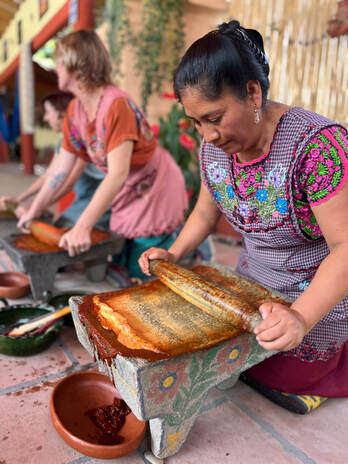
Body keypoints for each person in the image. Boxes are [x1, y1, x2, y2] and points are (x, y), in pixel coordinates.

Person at [139, 19, 348, 413]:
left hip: (314, 296)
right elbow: (204, 213)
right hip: (248, 291)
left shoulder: (318, 148)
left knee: (277, 370)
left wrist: (300, 317)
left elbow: (345, 247)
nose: (208, 136)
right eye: (197, 122)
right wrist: (174, 253)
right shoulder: (215, 150)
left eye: (214, 118)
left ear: (253, 93)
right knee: (205, 350)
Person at [17, 30, 188, 279]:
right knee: (120, 261)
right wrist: (35, 208)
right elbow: (59, 171)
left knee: (145, 264)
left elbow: (117, 173)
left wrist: (82, 227)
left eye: (59, 63)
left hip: (153, 187)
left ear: (76, 66)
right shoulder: (76, 110)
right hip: (128, 190)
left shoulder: (115, 105)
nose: (56, 69)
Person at [0, 92, 110, 229]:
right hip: (83, 201)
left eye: (48, 112)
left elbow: (67, 182)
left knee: (62, 229)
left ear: (63, 114)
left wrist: (35, 206)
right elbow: (49, 175)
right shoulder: (63, 142)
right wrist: (20, 199)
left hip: (102, 203)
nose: (45, 118)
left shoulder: (82, 139)